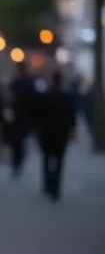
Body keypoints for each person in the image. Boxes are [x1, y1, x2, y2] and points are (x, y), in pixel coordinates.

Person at [36, 70, 76, 201]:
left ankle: (47, 185)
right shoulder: (66, 96)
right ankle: (56, 188)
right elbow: (71, 116)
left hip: (46, 132)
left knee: (46, 159)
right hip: (61, 133)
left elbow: (38, 115)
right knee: (59, 161)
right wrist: (72, 130)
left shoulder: (44, 96)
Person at [3, 63, 37, 177]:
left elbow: (9, 99)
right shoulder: (29, 83)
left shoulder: (15, 83)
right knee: (21, 141)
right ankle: (19, 160)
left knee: (16, 142)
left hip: (17, 116)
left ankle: (16, 162)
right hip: (25, 116)